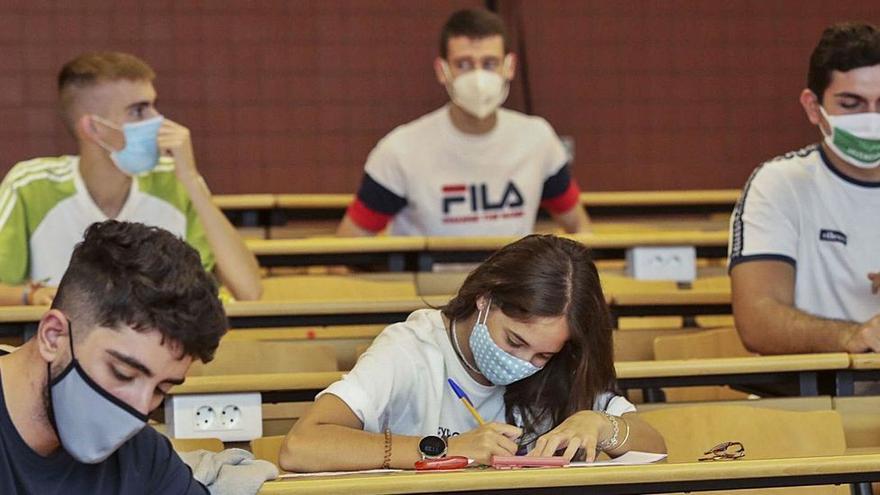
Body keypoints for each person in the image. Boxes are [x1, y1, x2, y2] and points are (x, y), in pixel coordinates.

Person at [279, 235, 665, 472]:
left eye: (541, 356)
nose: (522, 363)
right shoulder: (411, 348)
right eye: (514, 341)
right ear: (485, 299)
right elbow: (301, 446)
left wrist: (602, 426)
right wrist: (445, 449)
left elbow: (656, 447)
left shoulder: (565, 364)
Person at [0, 51, 262, 306]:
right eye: (138, 111)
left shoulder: (178, 183)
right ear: (94, 128)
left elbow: (249, 292)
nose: (157, 120)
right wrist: (29, 296)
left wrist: (191, 180)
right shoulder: (30, 185)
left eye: (153, 106)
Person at [0, 220, 227, 493]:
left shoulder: (144, 456)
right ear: (53, 336)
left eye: (160, 389)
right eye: (123, 373)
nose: (140, 409)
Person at [336, 8, 591, 237]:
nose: (478, 76)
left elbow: (580, 227)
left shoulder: (538, 139)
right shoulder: (400, 150)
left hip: (512, 288)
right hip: (430, 288)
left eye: (490, 63)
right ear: (442, 71)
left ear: (509, 67)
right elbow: (348, 247)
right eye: (464, 64)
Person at [729, 22, 880, 355]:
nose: (871, 119)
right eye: (851, 104)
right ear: (814, 107)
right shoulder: (779, 184)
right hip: (811, 394)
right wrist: (852, 336)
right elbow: (757, 321)